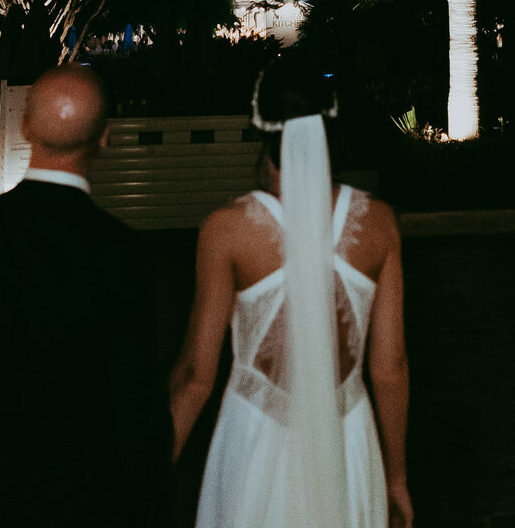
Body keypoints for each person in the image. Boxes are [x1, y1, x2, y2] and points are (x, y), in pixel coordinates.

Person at [0, 64, 171, 527]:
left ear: (25, 126)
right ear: (105, 138)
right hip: (81, 501)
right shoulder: (123, 254)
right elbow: (136, 413)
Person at [170, 65, 412, 527]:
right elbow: (389, 369)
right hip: (348, 440)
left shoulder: (227, 229)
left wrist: (151, 469)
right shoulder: (379, 224)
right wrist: (397, 480)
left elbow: (195, 376)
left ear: (261, 129)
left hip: (257, 439)